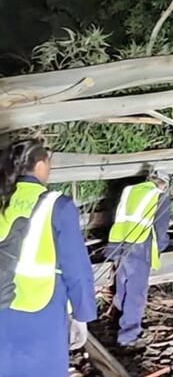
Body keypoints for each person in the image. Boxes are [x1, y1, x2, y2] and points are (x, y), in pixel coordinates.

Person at [0, 138, 96, 377]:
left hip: (4, 304)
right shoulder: (57, 206)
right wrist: (82, 316)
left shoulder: (4, 203)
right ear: (41, 165)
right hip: (43, 308)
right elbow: (77, 268)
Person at [106, 169, 171, 347]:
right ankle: (129, 336)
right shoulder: (159, 196)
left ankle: (120, 324)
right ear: (164, 184)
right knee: (136, 292)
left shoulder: (130, 191)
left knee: (123, 287)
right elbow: (161, 228)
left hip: (119, 242)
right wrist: (160, 247)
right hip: (140, 247)